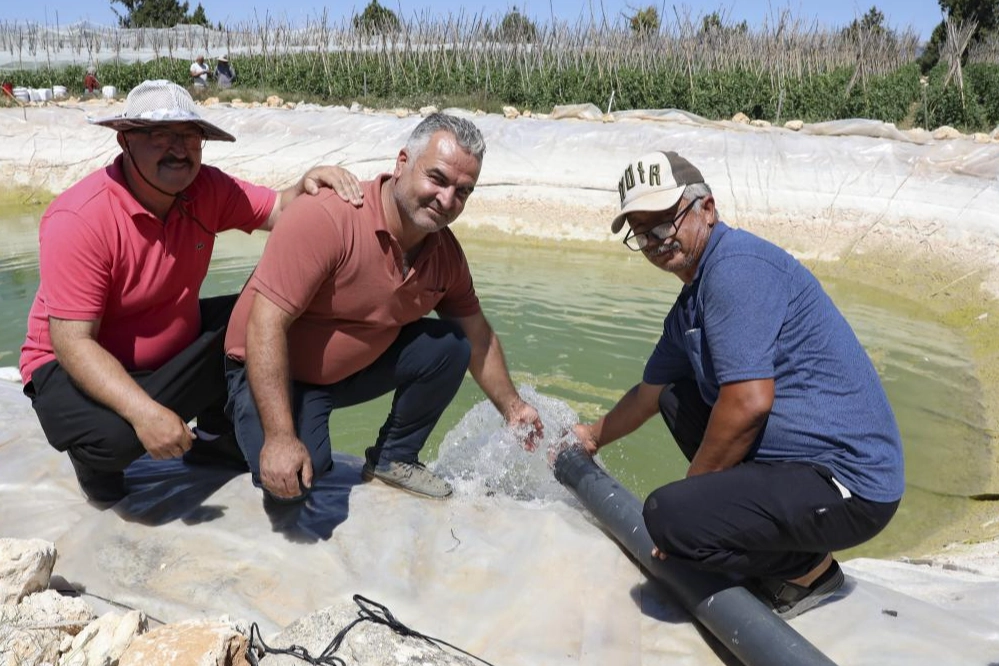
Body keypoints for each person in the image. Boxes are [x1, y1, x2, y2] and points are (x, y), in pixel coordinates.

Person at [574, 150, 904, 619]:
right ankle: (767, 543)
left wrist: (691, 508)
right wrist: (590, 435)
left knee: (667, 516)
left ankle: (808, 569)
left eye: (665, 222)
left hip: (850, 485)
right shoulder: (692, 302)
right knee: (674, 395)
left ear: (707, 208)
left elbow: (748, 402)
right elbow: (650, 393)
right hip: (797, 467)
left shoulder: (736, 268)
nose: (655, 241)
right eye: (641, 233)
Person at [19, 79, 363, 506]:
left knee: (259, 316)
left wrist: (312, 182)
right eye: (159, 136)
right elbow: (72, 342)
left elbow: (278, 208)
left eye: (189, 135)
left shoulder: (207, 190)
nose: (178, 149)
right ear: (126, 140)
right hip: (68, 363)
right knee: (113, 440)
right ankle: (95, 460)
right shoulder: (80, 217)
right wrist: (146, 414)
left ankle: (217, 436)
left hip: (169, 348)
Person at [224, 113, 542, 502]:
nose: (447, 200)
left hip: (338, 376)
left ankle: (394, 458)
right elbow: (265, 323)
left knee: (451, 344)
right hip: (268, 369)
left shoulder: (445, 255)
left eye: (463, 191)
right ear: (402, 162)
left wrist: (513, 408)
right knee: (298, 482)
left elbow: (478, 336)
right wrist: (279, 438)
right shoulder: (328, 216)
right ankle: (224, 420)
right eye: (437, 179)